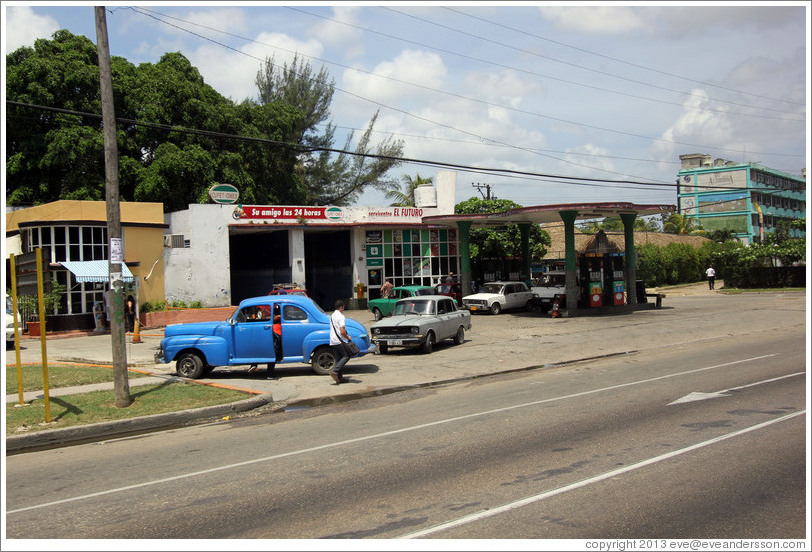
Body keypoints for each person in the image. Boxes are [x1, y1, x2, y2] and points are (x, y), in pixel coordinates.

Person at [328, 299, 352, 384]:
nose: (344, 308)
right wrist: (348, 336)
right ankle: (335, 371)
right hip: (339, 340)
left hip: (333, 340)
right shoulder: (341, 317)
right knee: (347, 356)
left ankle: (339, 378)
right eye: (343, 307)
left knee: (338, 359)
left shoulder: (332, 315)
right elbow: (342, 331)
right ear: (341, 307)